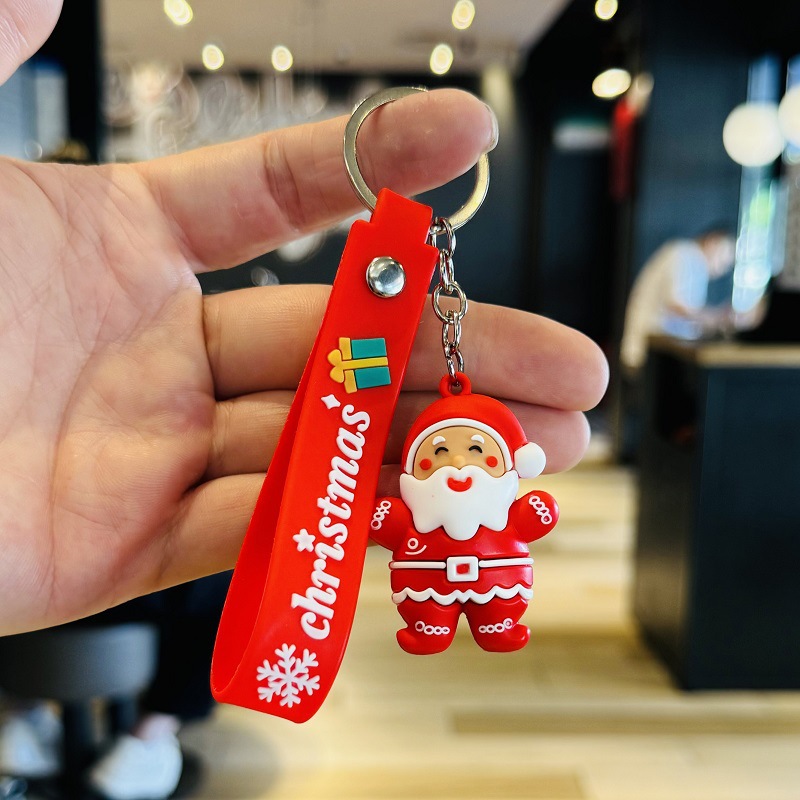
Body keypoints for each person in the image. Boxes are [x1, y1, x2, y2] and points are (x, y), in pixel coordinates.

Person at [371, 375, 558, 655]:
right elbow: (391, 528)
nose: (457, 462)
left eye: (476, 450)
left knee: (499, 609)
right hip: (425, 583)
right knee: (427, 613)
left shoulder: (503, 516)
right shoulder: (418, 517)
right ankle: (428, 631)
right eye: (439, 451)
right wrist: (384, 519)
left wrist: (538, 511)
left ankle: (498, 628)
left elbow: (530, 521)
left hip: (499, 582)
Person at [620, 228, 737, 375]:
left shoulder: (694, 263)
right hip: (649, 353)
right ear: (712, 242)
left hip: (660, 355)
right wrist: (718, 317)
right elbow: (677, 305)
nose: (723, 268)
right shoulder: (684, 255)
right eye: (725, 258)